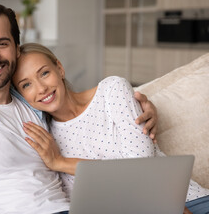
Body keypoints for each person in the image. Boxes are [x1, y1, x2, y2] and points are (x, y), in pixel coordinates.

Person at [0, 0, 157, 214]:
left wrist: (140, 104)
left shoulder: (35, 100)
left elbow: (86, 113)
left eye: (2, 43)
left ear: (16, 49)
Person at [12, 42, 209, 214]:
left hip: (191, 202)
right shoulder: (46, 138)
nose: (41, 88)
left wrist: (61, 163)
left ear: (60, 68)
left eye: (44, 73)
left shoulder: (112, 90)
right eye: (26, 85)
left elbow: (140, 168)